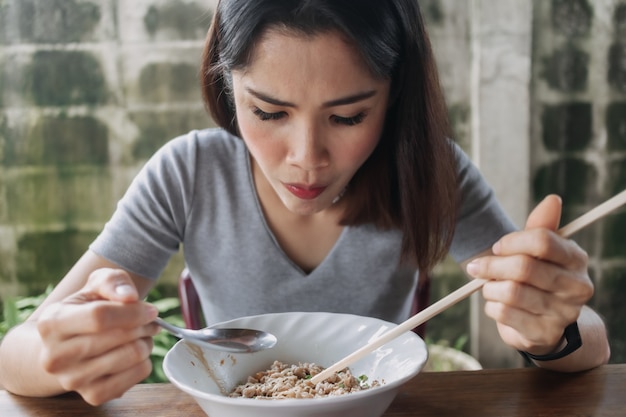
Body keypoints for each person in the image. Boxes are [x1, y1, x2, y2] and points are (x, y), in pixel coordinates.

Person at [0, 0, 610, 406]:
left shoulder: (429, 172)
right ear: (224, 83)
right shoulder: (189, 173)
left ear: (394, 99)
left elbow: (589, 348)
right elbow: (14, 358)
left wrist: (550, 327)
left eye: (348, 115)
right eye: (268, 112)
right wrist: (63, 347)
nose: (306, 157)